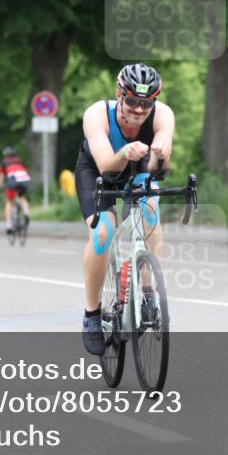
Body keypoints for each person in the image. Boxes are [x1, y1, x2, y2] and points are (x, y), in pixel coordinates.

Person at [75, 63, 174, 355]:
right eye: (132, 101)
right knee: (103, 232)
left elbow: (160, 158)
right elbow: (106, 166)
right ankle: (92, 314)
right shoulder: (96, 115)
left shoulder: (163, 114)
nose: (139, 110)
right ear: (120, 95)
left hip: (139, 165)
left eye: (146, 103)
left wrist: (159, 153)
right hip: (97, 169)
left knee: (150, 213)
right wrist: (123, 153)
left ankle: (148, 295)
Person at [0, 147, 31, 234]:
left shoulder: (4, 162)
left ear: (5, 155)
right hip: (24, 177)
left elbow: (1, 177)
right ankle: (26, 214)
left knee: (9, 202)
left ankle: (9, 226)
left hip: (13, 178)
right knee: (22, 197)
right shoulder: (18, 160)